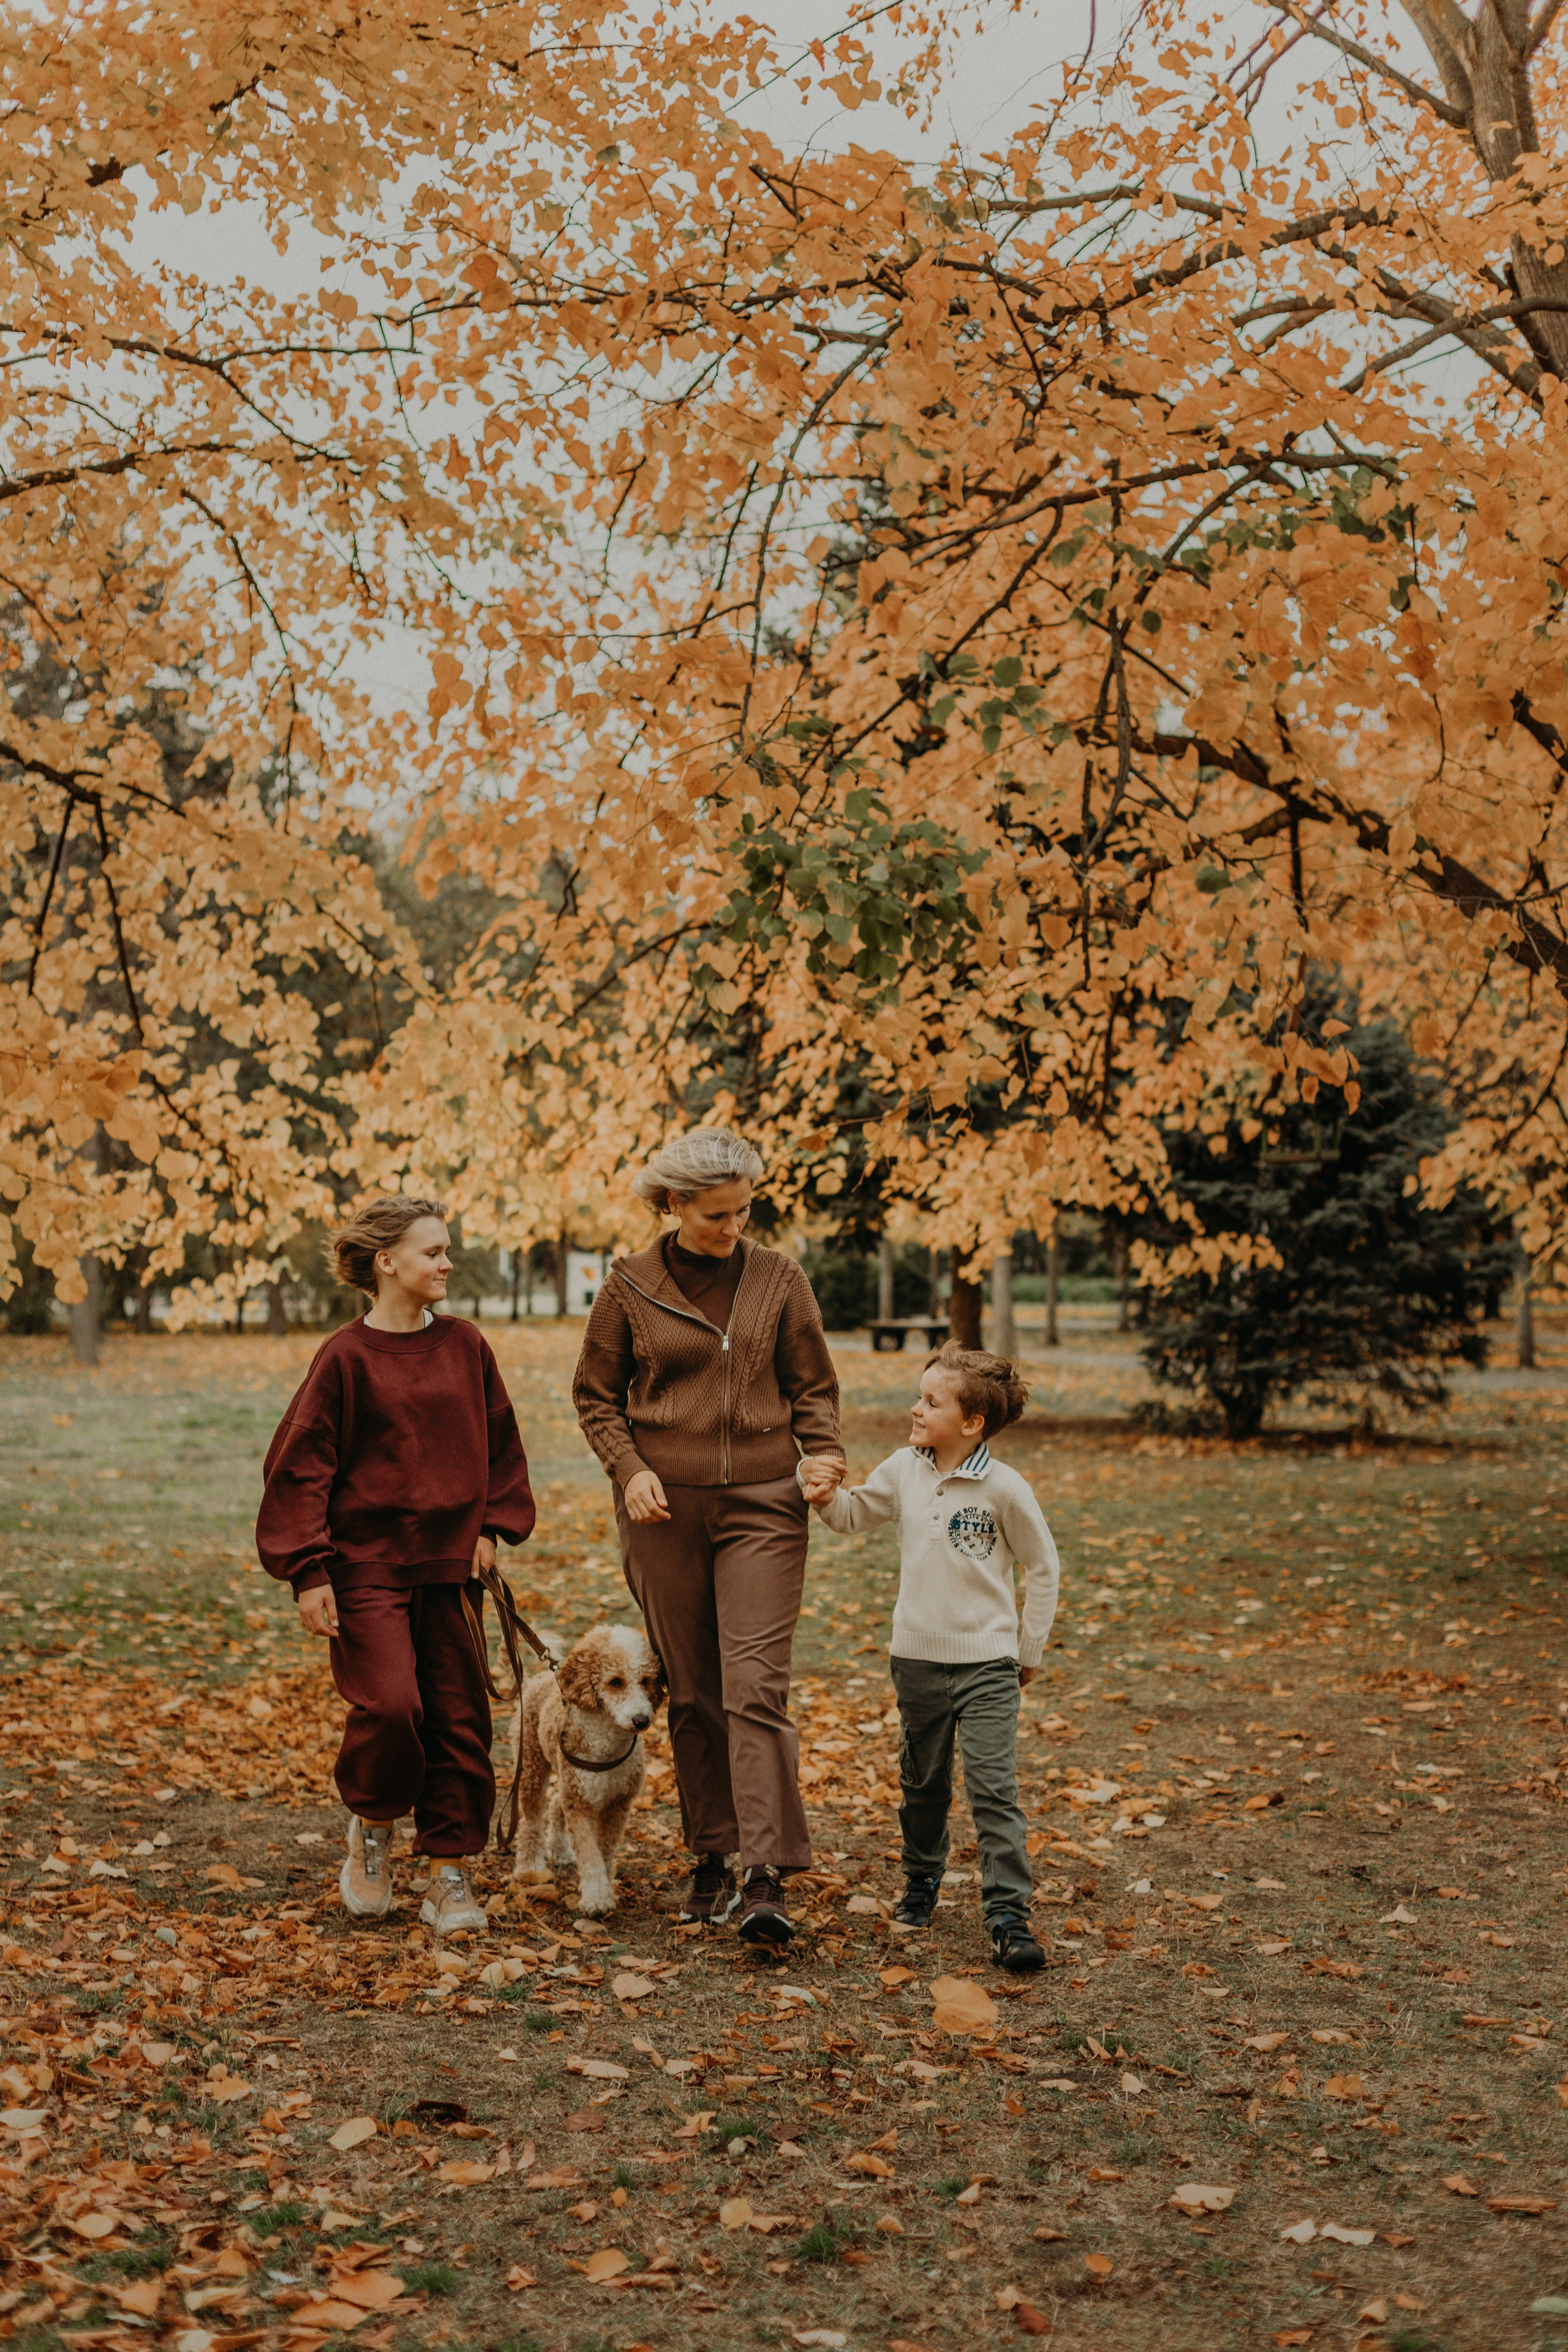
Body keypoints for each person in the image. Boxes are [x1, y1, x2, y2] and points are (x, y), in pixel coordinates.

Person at [573, 1127, 844, 1945]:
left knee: (755, 1688)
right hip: (663, 1510)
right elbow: (595, 1397)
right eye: (718, 1215)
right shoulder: (627, 1287)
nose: (735, 1229)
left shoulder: (778, 1278)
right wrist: (629, 1470)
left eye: (744, 1211)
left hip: (764, 1502)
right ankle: (712, 1855)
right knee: (690, 1692)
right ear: (676, 1205)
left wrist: (826, 1452)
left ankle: (765, 1875)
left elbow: (815, 1386)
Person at [257, 1196, 535, 1934]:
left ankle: (449, 1873)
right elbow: (300, 1465)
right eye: (433, 1252)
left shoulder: (467, 1346)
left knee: (458, 1720)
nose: (447, 1264)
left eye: (447, 1251)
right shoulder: (345, 1357)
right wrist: (308, 1571)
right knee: (389, 1707)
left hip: (450, 1568)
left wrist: (492, 1529)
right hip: (365, 1567)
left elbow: (502, 1443)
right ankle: (373, 1825)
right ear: (387, 1263)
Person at [801, 1341, 1058, 1973]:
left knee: (994, 1790)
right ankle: (921, 1882)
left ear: (971, 1423)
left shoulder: (1004, 1488)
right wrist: (821, 1493)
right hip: (915, 1663)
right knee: (923, 1786)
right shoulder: (901, 1469)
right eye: (919, 1396)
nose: (915, 1409)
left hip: (989, 1666)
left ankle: (1008, 1916)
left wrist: (1027, 1650)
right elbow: (853, 1516)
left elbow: (1043, 1567)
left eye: (930, 1401)